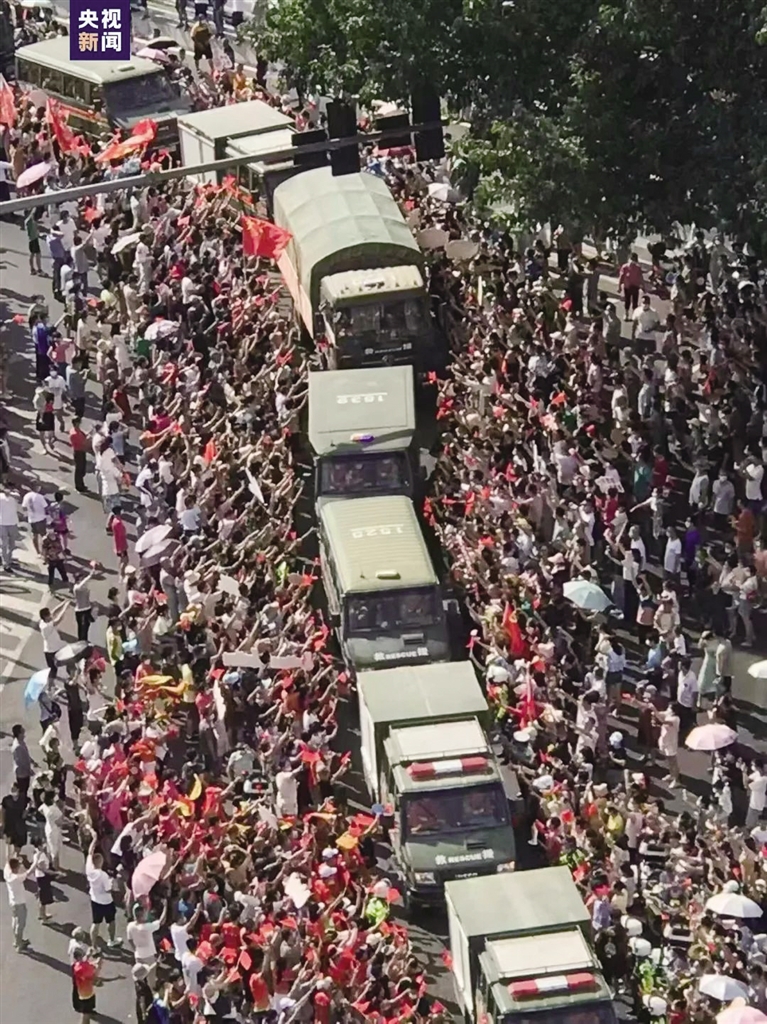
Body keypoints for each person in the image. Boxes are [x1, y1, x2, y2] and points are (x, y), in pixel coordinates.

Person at [85, 833, 121, 948]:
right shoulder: (103, 876)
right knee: (111, 921)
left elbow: (90, 852)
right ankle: (112, 940)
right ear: (100, 862)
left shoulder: (89, 869)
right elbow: (108, 890)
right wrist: (113, 883)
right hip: (106, 901)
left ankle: (93, 945)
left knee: (95, 923)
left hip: (95, 900)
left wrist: (94, 840)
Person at [4, 855, 33, 951]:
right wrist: (35, 862)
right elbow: (28, 873)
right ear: (15, 868)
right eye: (18, 866)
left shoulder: (7, 872)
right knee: (20, 924)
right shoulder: (16, 878)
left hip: (13, 902)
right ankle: (19, 944)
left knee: (15, 920)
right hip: (20, 903)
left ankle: (16, 940)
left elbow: (8, 861)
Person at [71, 945, 101, 1024]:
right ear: (79, 957)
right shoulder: (82, 968)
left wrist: (89, 955)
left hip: (85, 992)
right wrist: (98, 964)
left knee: (87, 1013)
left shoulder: (77, 965)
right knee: (86, 1015)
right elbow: (93, 973)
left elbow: (85, 963)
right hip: (86, 993)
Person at [38, 601, 69, 674]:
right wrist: (65, 608)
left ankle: (71, 674)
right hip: (52, 650)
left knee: (56, 668)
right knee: (53, 669)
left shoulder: (43, 621)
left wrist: (63, 602)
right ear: (45, 617)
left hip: (54, 647)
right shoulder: (46, 626)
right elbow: (59, 619)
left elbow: (54, 611)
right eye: (49, 614)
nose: (50, 615)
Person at [21, 484, 48, 554]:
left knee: (35, 536)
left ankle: (38, 552)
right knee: (44, 536)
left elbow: (24, 507)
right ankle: (45, 552)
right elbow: (46, 507)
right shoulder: (40, 497)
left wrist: (28, 512)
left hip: (32, 519)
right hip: (41, 518)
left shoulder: (26, 496)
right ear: (37, 488)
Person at [617, 252, 643, 319]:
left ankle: (634, 314)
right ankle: (626, 313)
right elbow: (621, 277)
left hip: (635, 286)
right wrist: (619, 286)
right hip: (627, 286)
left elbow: (640, 277)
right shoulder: (625, 267)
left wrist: (643, 285)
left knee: (635, 301)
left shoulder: (638, 268)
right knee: (627, 300)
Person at [11, 724, 33, 803]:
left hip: (24, 771)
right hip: (22, 772)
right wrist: (29, 770)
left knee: (25, 788)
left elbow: (25, 755)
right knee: (23, 789)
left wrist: (32, 761)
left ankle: (23, 800)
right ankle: (22, 804)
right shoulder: (18, 747)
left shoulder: (21, 742)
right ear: (19, 733)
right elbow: (21, 762)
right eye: (22, 731)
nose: (24, 732)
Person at [0, 482, 20, 571]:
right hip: (2, 523)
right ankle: (5, 563)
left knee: (12, 544)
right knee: (4, 544)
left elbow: (18, 498)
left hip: (13, 523)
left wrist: (9, 493)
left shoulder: (15, 495)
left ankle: (9, 559)